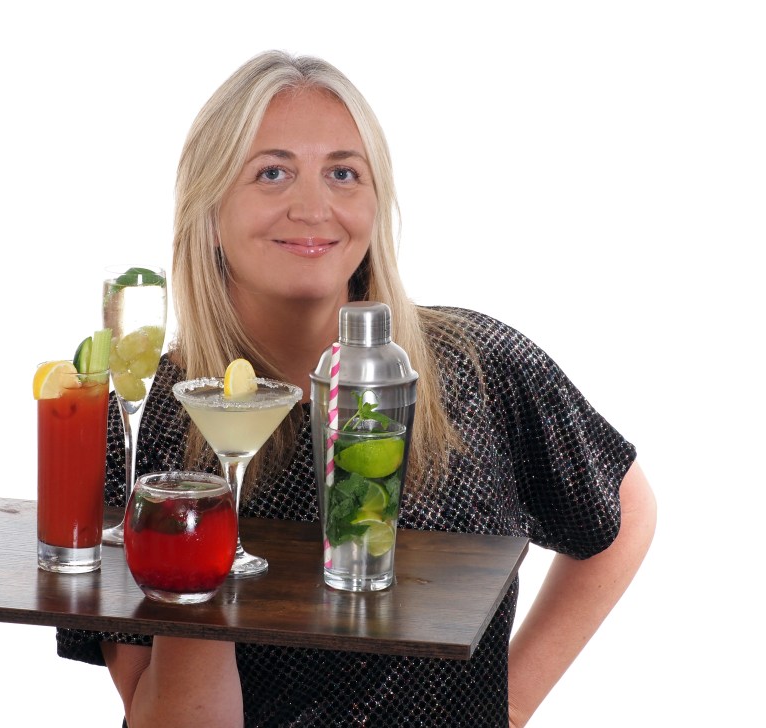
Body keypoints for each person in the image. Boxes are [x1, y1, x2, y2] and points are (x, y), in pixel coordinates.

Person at [58, 50, 657, 727]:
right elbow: (160, 712)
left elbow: (622, 512)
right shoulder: (150, 418)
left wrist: (511, 704)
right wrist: (200, 538)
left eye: (343, 173)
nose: (313, 207)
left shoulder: (479, 365)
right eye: (272, 172)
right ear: (208, 208)